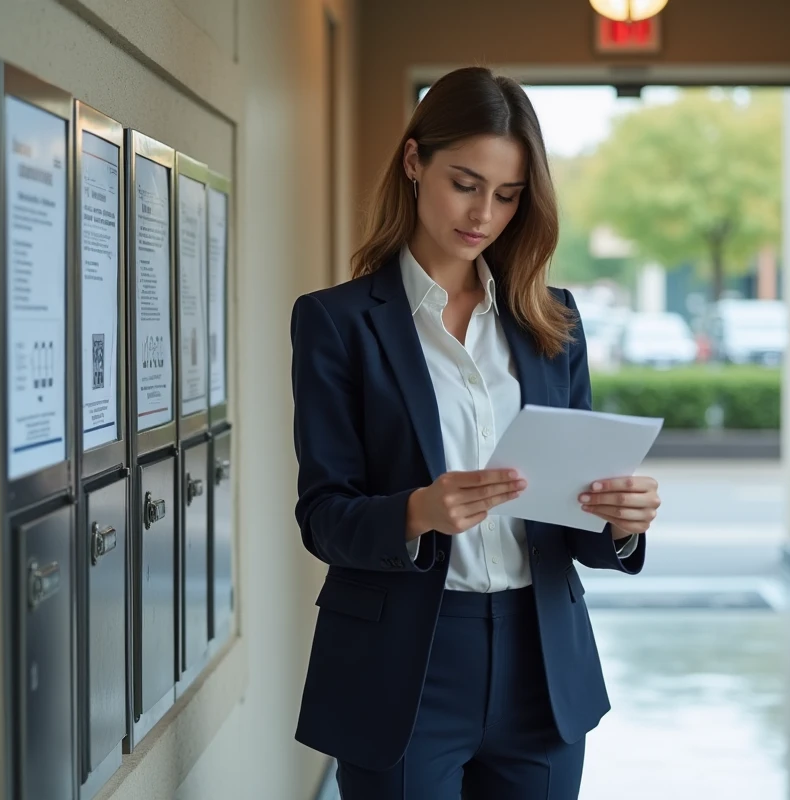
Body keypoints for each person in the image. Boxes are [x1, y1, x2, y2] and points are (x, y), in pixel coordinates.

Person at [289, 66, 662, 799]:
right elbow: (322, 515)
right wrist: (416, 512)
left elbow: (571, 518)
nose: (484, 213)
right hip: (402, 668)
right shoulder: (336, 322)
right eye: (466, 182)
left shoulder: (552, 320)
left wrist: (618, 523)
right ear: (413, 161)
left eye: (508, 194)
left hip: (542, 664)